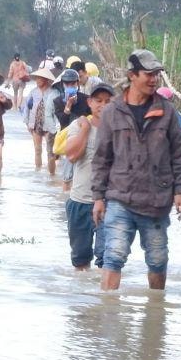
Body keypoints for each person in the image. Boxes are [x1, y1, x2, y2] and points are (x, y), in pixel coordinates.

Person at [91, 48, 181, 291]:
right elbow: (102, 157)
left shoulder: (166, 111)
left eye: (157, 74)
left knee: (157, 260)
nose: (154, 79)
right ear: (132, 75)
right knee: (113, 255)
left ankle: (155, 314)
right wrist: (98, 198)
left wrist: (180, 191)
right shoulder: (112, 112)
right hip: (119, 197)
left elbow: (178, 153)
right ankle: (109, 315)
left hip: (156, 200)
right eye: (149, 74)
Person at [59, 80, 114, 270]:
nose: (103, 105)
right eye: (98, 100)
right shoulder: (79, 125)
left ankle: (104, 299)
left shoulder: (120, 129)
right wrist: (85, 129)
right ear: (90, 102)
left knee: (108, 260)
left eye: (108, 101)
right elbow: (72, 156)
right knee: (80, 262)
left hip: (110, 203)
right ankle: (83, 298)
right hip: (80, 201)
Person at [23, 66, 60, 173]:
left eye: (40, 78)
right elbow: (27, 108)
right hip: (35, 124)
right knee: (37, 150)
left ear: (46, 80)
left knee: (50, 152)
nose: (38, 80)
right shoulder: (33, 92)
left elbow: (57, 109)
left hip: (50, 124)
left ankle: (52, 174)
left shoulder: (54, 92)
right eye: (37, 78)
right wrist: (28, 123)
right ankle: (38, 173)